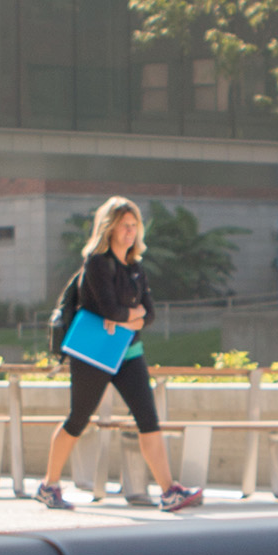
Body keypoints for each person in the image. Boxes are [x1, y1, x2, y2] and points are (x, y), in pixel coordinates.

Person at [33, 195, 200, 513]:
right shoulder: (97, 264)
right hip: (94, 353)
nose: (130, 232)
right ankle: (48, 485)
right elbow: (109, 308)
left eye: (134, 226)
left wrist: (127, 316)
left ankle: (169, 491)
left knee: (148, 420)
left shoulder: (135, 267)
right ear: (109, 229)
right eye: (124, 225)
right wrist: (129, 314)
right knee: (78, 419)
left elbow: (149, 315)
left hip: (129, 353)